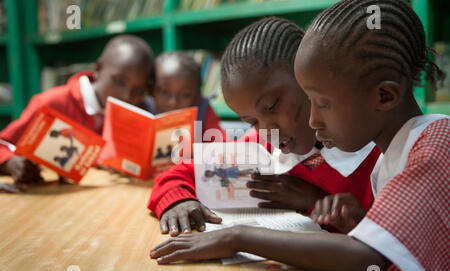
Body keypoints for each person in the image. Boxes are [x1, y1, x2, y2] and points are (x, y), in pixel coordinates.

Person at [151, 0, 449, 271]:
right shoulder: (394, 153)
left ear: (384, 95)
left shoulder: (434, 146)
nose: (313, 118)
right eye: (252, 121)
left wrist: (236, 237)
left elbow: (368, 259)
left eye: (321, 103)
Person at [148, 17, 381, 236]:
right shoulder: (261, 146)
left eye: (272, 106)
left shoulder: (373, 158)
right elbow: (179, 173)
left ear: (309, 80)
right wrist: (179, 201)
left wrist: (316, 201)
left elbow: (385, 256)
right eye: (252, 121)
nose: (267, 130)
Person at [0, 35, 155, 187]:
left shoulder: (138, 110)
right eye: (119, 81)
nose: (126, 95)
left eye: (138, 89)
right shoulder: (51, 103)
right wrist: (10, 163)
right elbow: (3, 144)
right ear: (98, 68)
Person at [145, 51, 227, 141]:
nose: (173, 102)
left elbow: (223, 143)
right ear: (151, 90)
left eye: (185, 95)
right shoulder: (144, 110)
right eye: (164, 92)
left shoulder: (204, 111)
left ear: (197, 96)